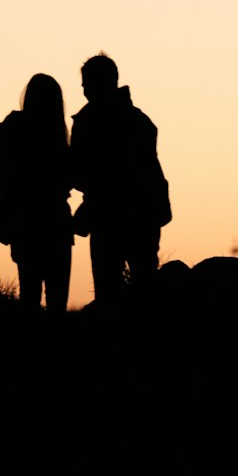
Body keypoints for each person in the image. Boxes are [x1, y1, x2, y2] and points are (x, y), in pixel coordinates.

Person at [69, 53, 170, 304]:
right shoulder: (140, 120)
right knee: (145, 289)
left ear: (97, 83)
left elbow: (79, 173)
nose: (82, 88)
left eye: (86, 82)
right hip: (144, 215)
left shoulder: (87, 123)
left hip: (107, 218)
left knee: (109, 293)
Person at [0, 73, 74, 314]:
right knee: (57, 302)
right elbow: (70, 178)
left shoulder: (16, 129)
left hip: (25, 222)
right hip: (55, 221)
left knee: (29, 298)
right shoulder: (57, 135)